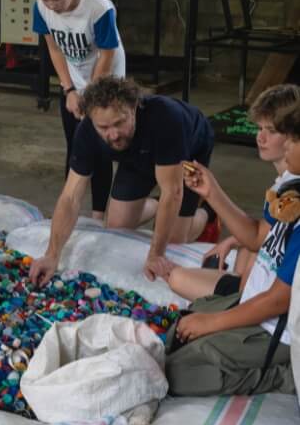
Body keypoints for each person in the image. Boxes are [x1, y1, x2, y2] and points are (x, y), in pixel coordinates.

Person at [162, 98, 300, 396]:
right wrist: (211, 191)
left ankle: (282, 377)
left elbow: (278, 301)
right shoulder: (289, 190)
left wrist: (213, 323)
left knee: (173, 375)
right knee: (178, 331)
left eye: (291, 140)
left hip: (276, 331)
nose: (285, 147)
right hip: (254, 304)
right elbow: (256, 237)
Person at [29, 77, 214, 287]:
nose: (114, 134)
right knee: (116, 227)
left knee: (175, 242)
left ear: (134, 108)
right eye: (104, 127)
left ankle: (208, 212)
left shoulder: (165, 118)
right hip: (136, 154)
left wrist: (156, 254)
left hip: (187, 148)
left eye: (119, 123)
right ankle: (155, 202)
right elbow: (70, 197)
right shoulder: (88, 131)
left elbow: (173, 193)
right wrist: (52, 255)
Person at [166, 84, 300, 300]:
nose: (260, 138)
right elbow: (268, 230)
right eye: (259, 128)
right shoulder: (284, 182)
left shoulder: (293, 189)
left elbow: (257, 238)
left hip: (267, 300)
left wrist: (212, 193)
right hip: (263, 289)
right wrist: (233, 240)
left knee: (177, 277)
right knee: (246, 251)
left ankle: (232, 303)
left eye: (272, 131)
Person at [33, 0, 126, 222]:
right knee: (75, 144)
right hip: (74, 79)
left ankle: (98, 215)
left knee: (101, 145)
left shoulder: (98, 8)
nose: (52, 6)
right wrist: (69, 90)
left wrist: (90, 96)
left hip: (106, 78)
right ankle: (68, 212)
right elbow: (53, 48)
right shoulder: (41, 6)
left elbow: (106, 55)